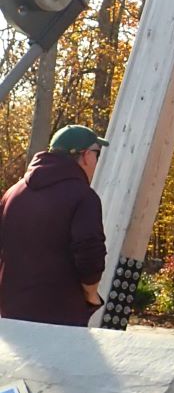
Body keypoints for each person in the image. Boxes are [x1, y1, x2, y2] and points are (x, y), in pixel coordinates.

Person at [0, 124, 107, 327]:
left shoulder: (13, 193)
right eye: (96, 154)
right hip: (61, 317)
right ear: (84, 156)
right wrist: (91, 293)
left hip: (11, 316)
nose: (96, 161)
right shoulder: (83, 196)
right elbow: (89, 252)